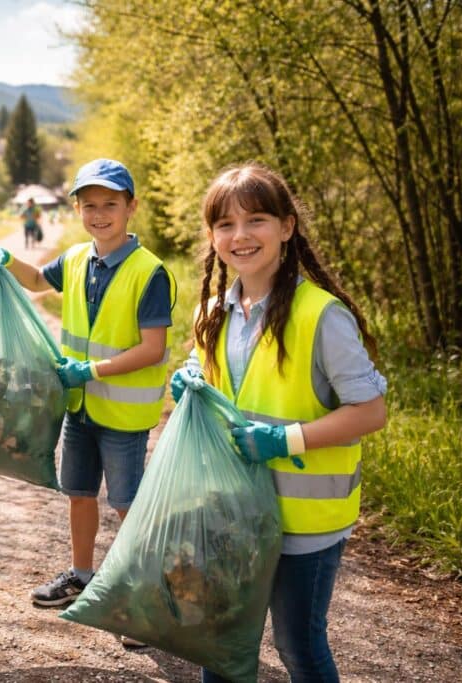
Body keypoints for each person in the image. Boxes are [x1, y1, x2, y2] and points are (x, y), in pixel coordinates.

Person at [171, 162, 387, 682]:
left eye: (257, 220)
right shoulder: (213, 312)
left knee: (298, 648)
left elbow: (371, 411)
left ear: (287, 227)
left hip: (303, 524)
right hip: (228, 514)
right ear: (212, 236)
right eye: (225, 224)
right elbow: (219, 383)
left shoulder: (322, 316)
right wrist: (188, 380)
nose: (240, 236)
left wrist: (283, 439)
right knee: (220, 643)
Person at [0, 159, 174, 641]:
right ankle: (82, 577)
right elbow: (35, 281)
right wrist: (6, 260)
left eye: (110, 204)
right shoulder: (74, 259)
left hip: (123, 414)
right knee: (79, 493)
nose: (99, 214)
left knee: (128, 505)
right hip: (80, 409)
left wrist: (92, 370)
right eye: (89, 206)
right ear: (78, 210)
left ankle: (142, 598)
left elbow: (154, 348)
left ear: (132, 207)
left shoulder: (149, 272)